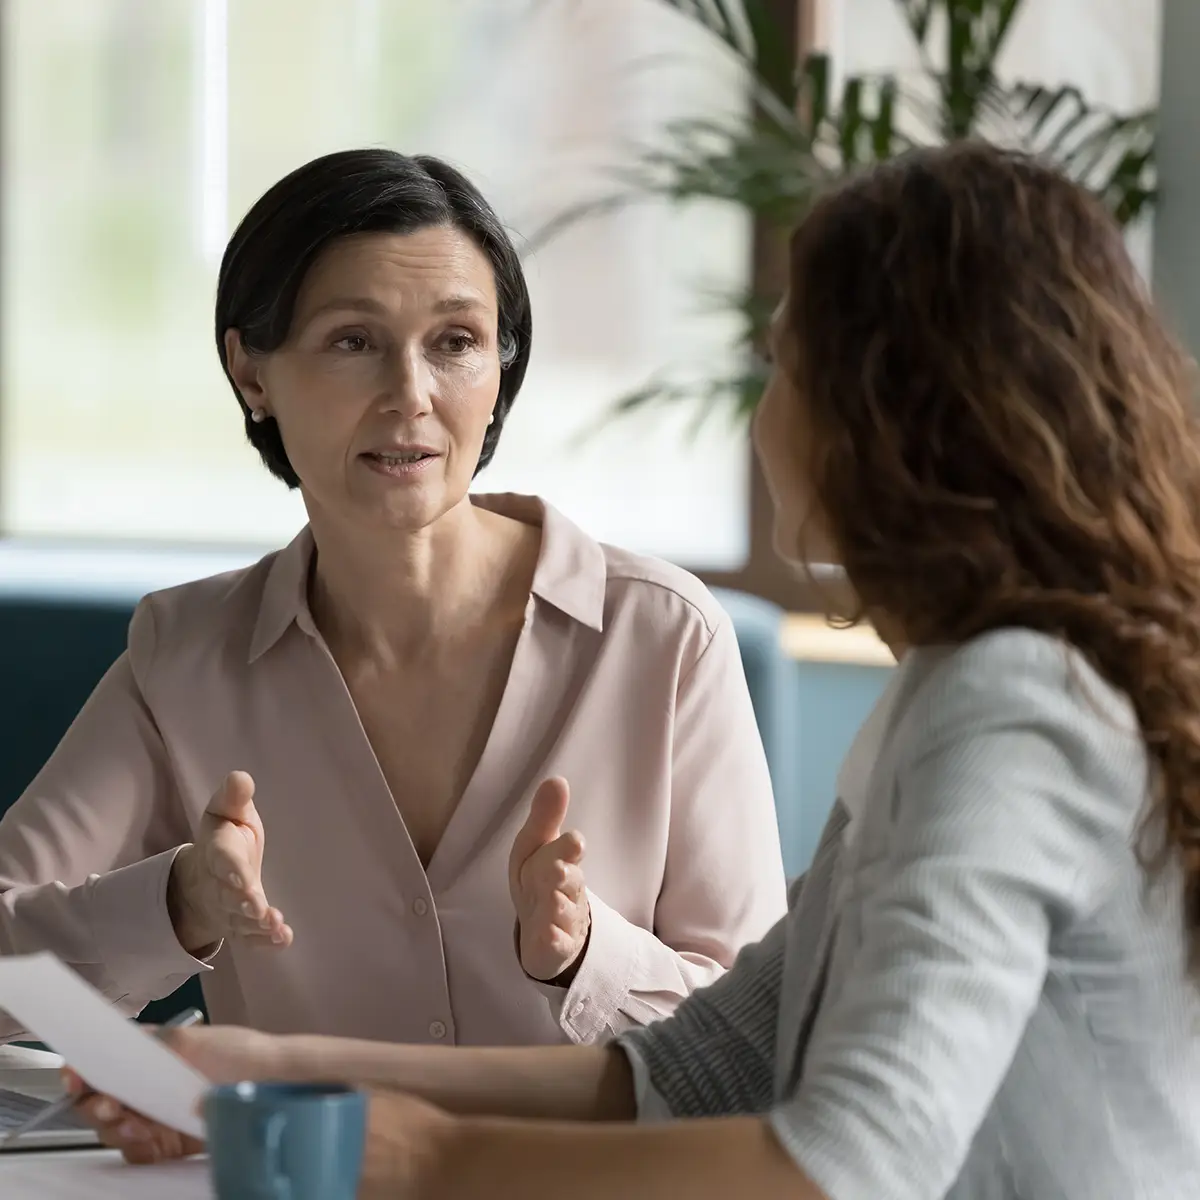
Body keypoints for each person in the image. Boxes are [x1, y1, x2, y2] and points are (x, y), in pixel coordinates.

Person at [78, 141, 1200, 1199]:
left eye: (782, 366)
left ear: (892, 417)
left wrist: (430, 1160)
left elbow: (852, 1162)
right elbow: (694, 1067)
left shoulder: (1009, 709)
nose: (765, 419)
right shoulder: (957, 689)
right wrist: (275, 1067)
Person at [0, 148, 787, 1047]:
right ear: (252, 374)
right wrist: (178, 903)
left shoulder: (663, 638)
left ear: (499, 373)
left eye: (456, 344)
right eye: (353, 341)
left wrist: (585, 957)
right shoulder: (183, 655)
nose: (410, 396)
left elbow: (760, 1039)